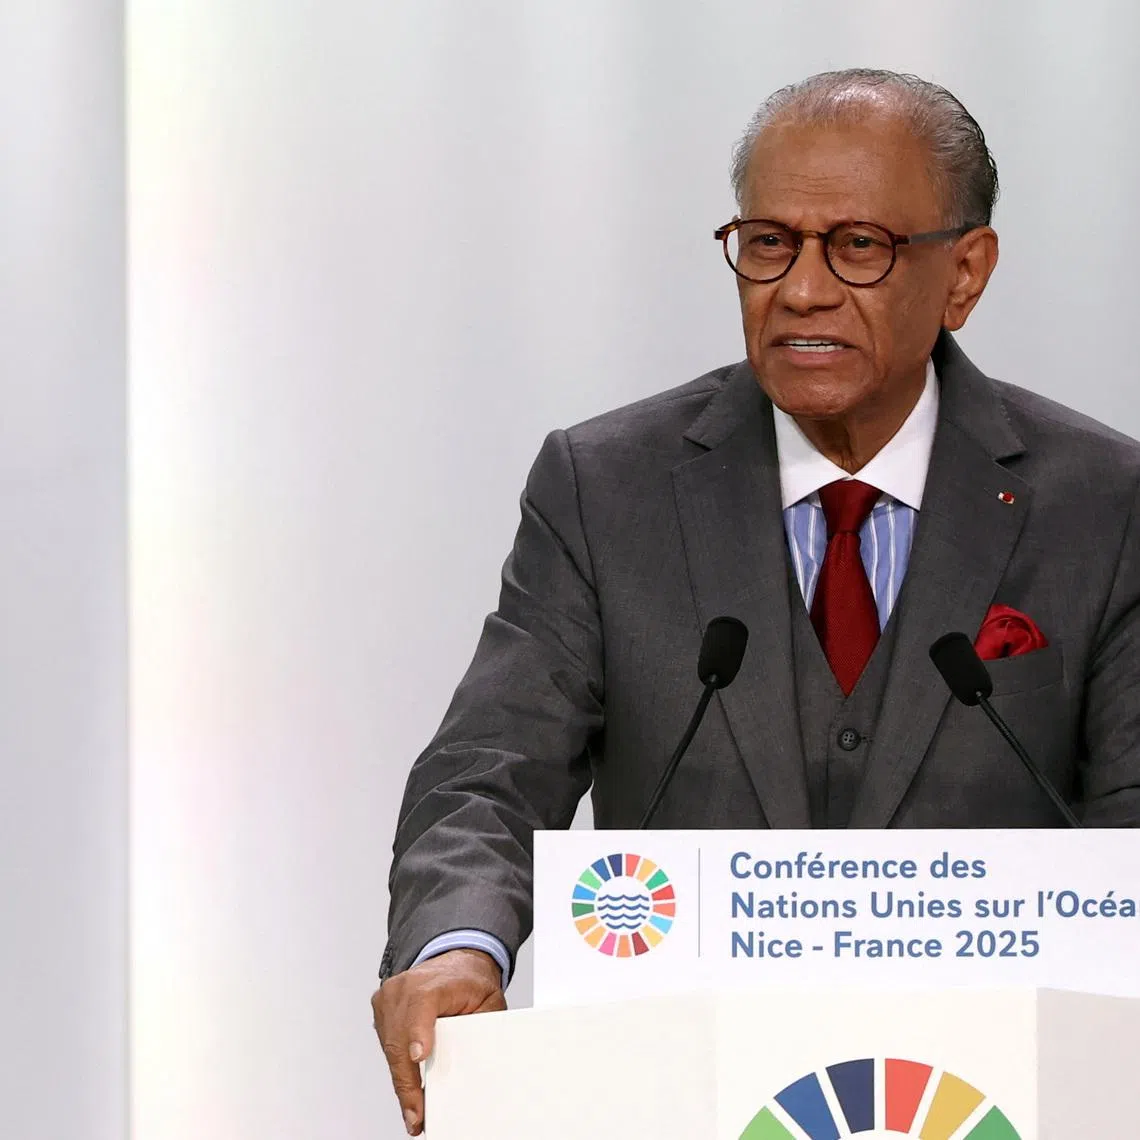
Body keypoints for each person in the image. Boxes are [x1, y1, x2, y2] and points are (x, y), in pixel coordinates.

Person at [371, 68, 1140, 1134]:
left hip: (992, 1102)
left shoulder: (1101, 505)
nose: (803, 289)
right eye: (769, 243)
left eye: (859, 245)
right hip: (672, 1094)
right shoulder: (609, 488)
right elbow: (487, 775)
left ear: (965, 274)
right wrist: (459, 945)